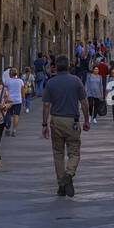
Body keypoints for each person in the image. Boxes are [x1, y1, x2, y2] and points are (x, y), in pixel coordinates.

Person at [42, 54, 90, 197]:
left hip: (56, 120)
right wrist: (87, 119)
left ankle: (61, 185)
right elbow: (84, 102)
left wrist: (44, 124)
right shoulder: (76, 81)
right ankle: (68, 174)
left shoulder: (51, 83)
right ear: (69, 66)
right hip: (72, 121)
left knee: (58, 153)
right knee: (74, 152)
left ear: (56, 67)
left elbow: (46, 105)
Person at [3, 66, 25, 136]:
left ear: (10, 74)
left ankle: (8, 128)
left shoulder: (7, 81)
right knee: (16, 115)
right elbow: (22, 91)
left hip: (9, 100)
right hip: (18, 100)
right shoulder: (20, 81)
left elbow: (5, 91)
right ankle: (14, 130)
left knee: (8, 114)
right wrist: (23, 99)